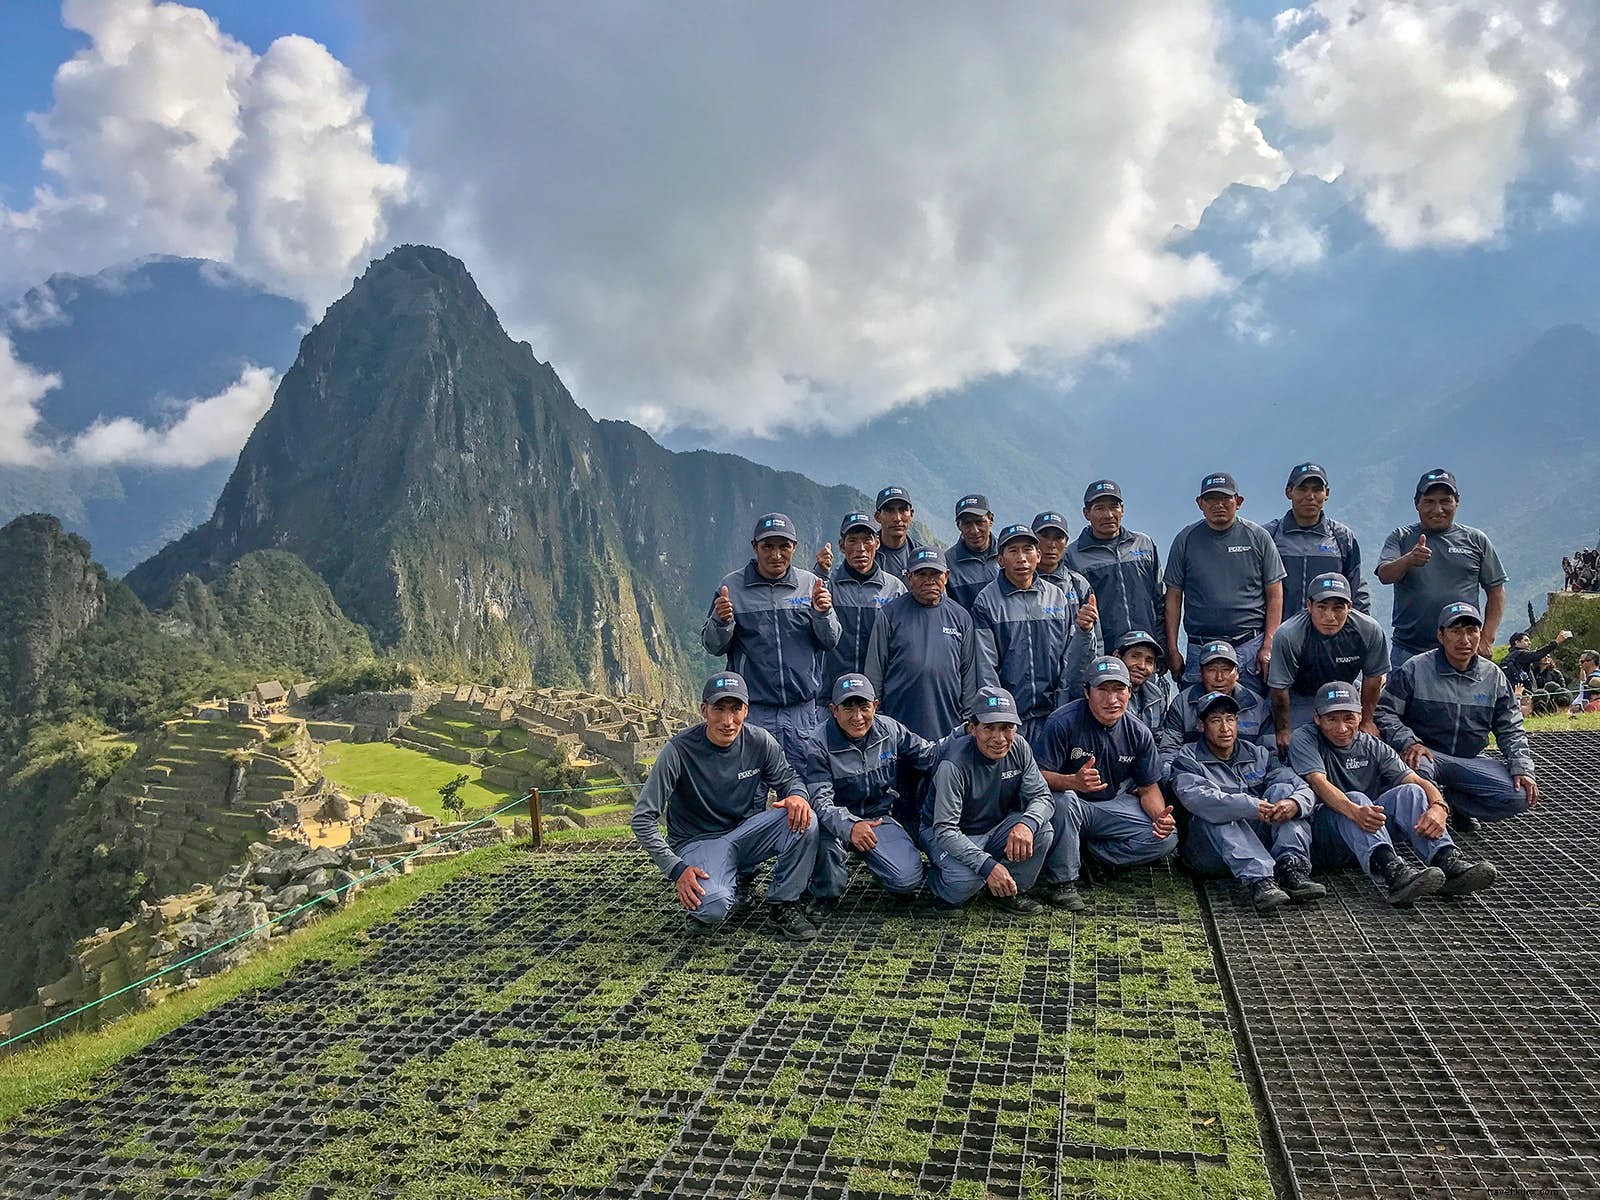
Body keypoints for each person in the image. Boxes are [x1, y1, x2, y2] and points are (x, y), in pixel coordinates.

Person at [631, 672, 820, 942]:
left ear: (747, 710)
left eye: (736, 709)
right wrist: (676, 869)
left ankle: (783, 904)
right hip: (699, 841)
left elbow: (789, 779)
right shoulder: (679, 751)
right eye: (719, 709)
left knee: (805, 819)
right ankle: (727, 886)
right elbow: (642, 818)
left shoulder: (759, 741)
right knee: (713, 906)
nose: (728, 721)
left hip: (746, 833)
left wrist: (797, 795)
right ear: (704, 710)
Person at [1294, 682, 1497, 902]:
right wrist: (1355, 811)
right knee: (1357, 799)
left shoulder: (1372, 745)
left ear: (1360, 716)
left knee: (1411, 792)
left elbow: (1417, 780)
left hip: (1367, 829)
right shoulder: (1305, 739)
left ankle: (1446, 859)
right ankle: (1393, 872)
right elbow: (1318, 782)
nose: (1342, 728)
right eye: (1332, 719)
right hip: (1326, 836)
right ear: (1317, 719)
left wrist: (1439, 807)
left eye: (1348, 718)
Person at [1376, 602, 1537, 831]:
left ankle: (1457, 803)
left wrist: (1522, 767)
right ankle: (1427, 824)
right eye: (1456, 631)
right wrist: (1408, 741)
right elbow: (1384, 711)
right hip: (1426, 755)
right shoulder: (1415, 669)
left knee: (1519, 795)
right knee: (1417, 770)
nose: (1465, 640)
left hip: (1469, 759)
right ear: (1441, 635)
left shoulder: (1493, 677)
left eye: (1472, 631)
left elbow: (1511, 727)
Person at [702, 512, 842, 769]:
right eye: (768, 546)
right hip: (755, 712)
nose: (776, 555)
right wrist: (721, 622)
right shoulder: (731, 587)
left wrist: (823, 614)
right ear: (755, 546)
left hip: (801, 713)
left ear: (794, 547)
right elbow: (713, 646)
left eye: (783, 546)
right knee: (751, 790)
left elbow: (830, 640)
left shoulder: (810, 584)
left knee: (804, 790)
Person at [1169, 690, 1324, 914]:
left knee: (1284, 794)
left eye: (1230, 719)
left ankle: (1291, 868)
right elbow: (1197, 799)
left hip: (1256, 841)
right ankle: (1260, 880)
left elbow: (1301, 786)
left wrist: (1294, 804)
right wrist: (1250, 806)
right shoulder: (1187, 757)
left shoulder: (1259, 753)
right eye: (1215, 721)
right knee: (1217, 813)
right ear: (1201, 725)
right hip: (1209, 853)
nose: (1225, 728)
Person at [1035, 656, 1177, 889]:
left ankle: (1092, 854)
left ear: (1129, 692)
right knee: (1064, 801)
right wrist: (1072, 781)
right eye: (1102, 690)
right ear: (1087, 692)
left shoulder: (1138, 732)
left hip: (1109, 805)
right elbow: (1037, 776)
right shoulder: (1062, 722)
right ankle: (1063, 882)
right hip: (1069, 806)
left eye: (1119, 689)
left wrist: (1160, 817)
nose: (1112, 699)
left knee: (1167, 838)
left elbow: (1148, 788)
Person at [800, 674, 938, 910]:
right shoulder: (818, 743)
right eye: (848, 708)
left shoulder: (890, 729)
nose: (857, 717)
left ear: (875, 705)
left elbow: (930, 754)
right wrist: (851, 826)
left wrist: (964, 736)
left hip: (878, 818)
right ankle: (824, 893)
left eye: (864, 707)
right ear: (834, 710)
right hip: (834, 825)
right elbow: (821, 802)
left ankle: (881, 865)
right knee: (823, 855)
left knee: (906, 880)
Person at [920, 686, 1056, 915]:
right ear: (973, 728)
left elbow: (1043, 796)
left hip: (994, 825)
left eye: (1007, 728)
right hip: (946, 833)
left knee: (1042, 831)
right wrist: (988, 866)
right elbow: (945, 829)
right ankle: (934, 880)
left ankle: (1009, 892)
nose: (999, 738)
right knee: (967, 880)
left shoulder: (1020, 747)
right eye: (989, 728)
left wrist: (1026, 824)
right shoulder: (953, 764)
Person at [971, 523, 1096, 745]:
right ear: (1000, 559)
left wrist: (1085, 631)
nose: (1022, 558)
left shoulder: (1057, 597)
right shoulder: (986, 601)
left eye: (1027, 549)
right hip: (1011, 720)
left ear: (1038, 555)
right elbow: (985, 666)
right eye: (1013, 551)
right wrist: (1001, 716)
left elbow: (1069, 658)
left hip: (1055, 715)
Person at [1164, 471, 1287, 694]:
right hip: (1199, 646)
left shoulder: (1258, 537)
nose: (1218, 505)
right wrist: (1172, 648)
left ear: (1238, 502)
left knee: (1252, 713)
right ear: (1200, 503)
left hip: (1249, 645)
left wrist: (1269, 643)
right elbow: (1173, 596)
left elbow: (1275, 592)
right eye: (1211, 499)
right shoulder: (1186, 539)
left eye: (1225, 498)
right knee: (1196, 715)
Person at [1377, 469, 1507, 670]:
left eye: (1445, 501)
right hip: (1409, 650)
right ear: (1416, 504)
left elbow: (1496, 591)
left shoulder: (1476, 540)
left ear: (1457, 501)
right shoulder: (1401, 537)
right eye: (1429, 501)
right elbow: (1385, 575)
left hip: (1462, 650)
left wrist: (1486, 638)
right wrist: (1409, 559)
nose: (1438, 509)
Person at [1266, 572, 1390, 754]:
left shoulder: (1369, 630)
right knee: (1298, 743)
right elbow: (1279, 688)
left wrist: (1367, 721)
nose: (1329, 617)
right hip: (1302, 695)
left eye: (1338, 608)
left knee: (1366, 740)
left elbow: (1373, 678)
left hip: (1346, 692)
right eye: (1322, 607)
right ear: (1309, 606)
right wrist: (1283, 730)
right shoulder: (1289, 635)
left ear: (1350, 607)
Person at [863, 545, 977, 740]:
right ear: (909, 577)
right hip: (897, 729)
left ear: (946, 576)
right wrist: (877, 720)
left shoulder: (961, 618)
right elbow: (875, 672)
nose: (929, 581)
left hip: (948, 729)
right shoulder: (890, 615)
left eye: (935, 574)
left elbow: (968, 676)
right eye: (921, 574)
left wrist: (967, 722)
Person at [1064, 479, 1164, 652]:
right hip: (1103, 653)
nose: (1108, 514)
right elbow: (1072, 614)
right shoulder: (1073, 556)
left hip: (1146, 650)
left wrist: (1163, 645)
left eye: (1114, 507)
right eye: (1100, 508)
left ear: (1122, 510)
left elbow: (1160, 599)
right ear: (1086, 513)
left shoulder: (1143, 544)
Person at [816, 512, 905, 704]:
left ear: (877, 543)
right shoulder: (829, 585)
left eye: (867, 540)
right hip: (830, 695)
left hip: (878, 698)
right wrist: (820, 573)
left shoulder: (894, 589)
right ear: (841, 545)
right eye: (853, 541)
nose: (860, 549)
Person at [1262, 462, 1371, 613]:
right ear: (1289, 492)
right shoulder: (1268, 535)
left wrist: (1361, 629)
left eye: (1317, 490)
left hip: (1329, 631)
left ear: (1327, 493)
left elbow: (1357, 589)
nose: (1310, 496)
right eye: (1302, 489)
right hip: (1280, 632)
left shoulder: (1341, 537)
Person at [1159, 640, 1272, 768]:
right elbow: (1168, 750)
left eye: (1226, 670)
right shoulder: (1182, 704)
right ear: (1201, 673)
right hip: (1196, 777)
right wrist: (1173, 778)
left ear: (1237, 673)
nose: (1219, 677)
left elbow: (1270, 754)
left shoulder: (1257, 705)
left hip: (1247, 777)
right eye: (1212, 670)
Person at [1032, 511, 1102, 657]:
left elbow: (1096, 638)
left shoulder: (1078, 585)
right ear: (1032, 540)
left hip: (1073, 672)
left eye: (1059, 538)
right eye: (1045, 537)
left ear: (1066, 542)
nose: (1051, 545)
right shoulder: (1019, 582)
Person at [1114, 628, 1178, 733]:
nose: (1142, 666)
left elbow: (1159, 737)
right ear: (1117, 656)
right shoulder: (1105, 694)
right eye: (1135, 656)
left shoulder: (1157, 696)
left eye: (1149, 661)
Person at [945, 493, 1000, 611]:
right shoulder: (948, 563)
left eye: (980, 522)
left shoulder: (1009, 555)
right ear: (958, 525)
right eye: (967, 523)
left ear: (991, 520)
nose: (974, 531)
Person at [1500, 628, 1574, 693]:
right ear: (1517, 642)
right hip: (1524, 692)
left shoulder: (1509, 657)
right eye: (1526, 640)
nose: (1529, 643)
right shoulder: (1519, 654)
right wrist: (1556, 642)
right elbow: (1537, 655)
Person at [873, 486, 921, 581]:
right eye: (890, 511)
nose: (897, 518)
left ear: (911, 514)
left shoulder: (919, 555)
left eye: (903, 510)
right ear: (877, 517)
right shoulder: (867, 554)